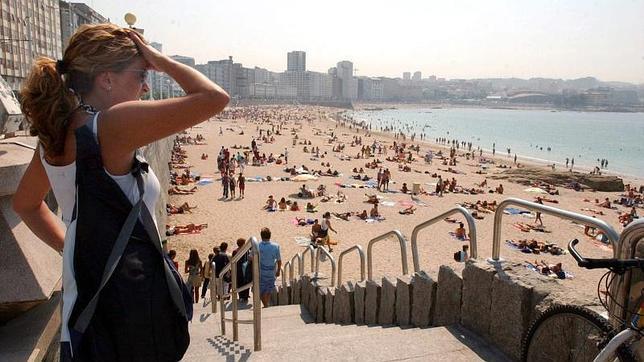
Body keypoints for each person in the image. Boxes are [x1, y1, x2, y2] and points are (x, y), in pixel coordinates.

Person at [12, 24, 229, 360]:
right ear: (106, 79)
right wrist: (161, 60)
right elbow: (214, 98)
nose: (145, 85)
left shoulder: (56, 133)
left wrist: (70, 244)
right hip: (129, 307)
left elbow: (25, 203)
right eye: (140, 74)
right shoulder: (112, 124)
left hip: (85, 305)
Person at [255, 228, 281, 307]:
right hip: (271, 271)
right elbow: (279, 260)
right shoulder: (276, 246)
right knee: (269, 288)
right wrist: (278, 270)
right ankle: (266, 304)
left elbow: (250, 258)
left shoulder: (257, 245)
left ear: (261, 236)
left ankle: (265, 304)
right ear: (270, 235)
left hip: (260, 271)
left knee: (261, 289)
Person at [232, 238, 251, 303]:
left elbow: (233, 261)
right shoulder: (247, 250)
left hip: (238, 270)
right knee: (246, 282)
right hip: (246, 269)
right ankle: (246, 296)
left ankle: (241, 297)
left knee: (239, 283)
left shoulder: (235, 251)